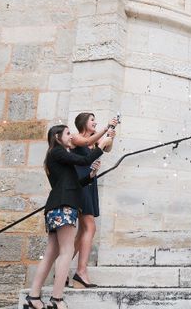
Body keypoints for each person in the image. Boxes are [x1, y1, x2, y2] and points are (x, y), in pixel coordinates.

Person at [24, 125, 105, 309]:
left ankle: (33, 297)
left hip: (57, 206)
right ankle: (57, 299)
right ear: (57, 137)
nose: (71, 137)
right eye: (68, 134)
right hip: (63, 206)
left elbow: (74, 183)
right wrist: (101, 147)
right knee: (66, 252)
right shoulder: (57, 152)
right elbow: (84, 159)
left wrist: (91, 175)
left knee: (51, 253)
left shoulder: (57, 156)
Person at [70, 113, 117, 288]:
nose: (95, 122)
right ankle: (81, 273)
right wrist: (105, 128)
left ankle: (62, 269)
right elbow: (87, 144)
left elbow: (107, 148)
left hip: (90, 182)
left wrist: (111, 133)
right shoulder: (75, 137)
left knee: (82, 231)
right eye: (92, 120)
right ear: (83, 123)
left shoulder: (93, 140)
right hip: (80, 183)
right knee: (90, 226)